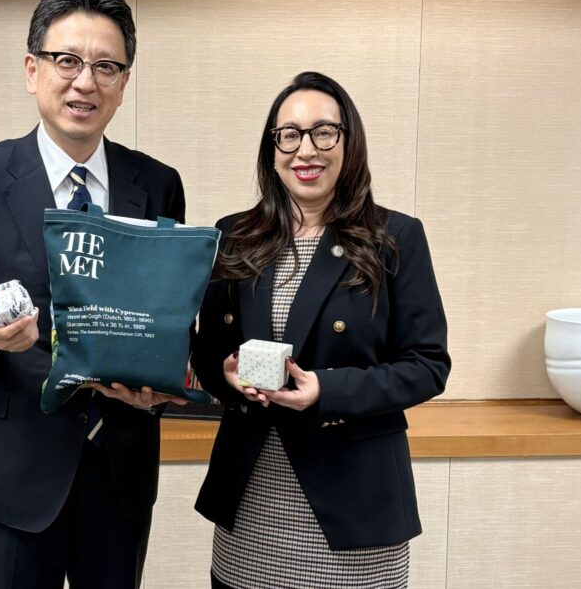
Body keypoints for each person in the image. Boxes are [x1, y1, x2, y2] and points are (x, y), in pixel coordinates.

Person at [0, 0, 187, 589]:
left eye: (106, 66)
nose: (85, 81)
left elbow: (167, 311)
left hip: (120, 465)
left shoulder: (158, 185)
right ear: (33, 69)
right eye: (67, 61)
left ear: (122, 83)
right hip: (15, 469)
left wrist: (158, 381)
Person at [191, 71, 450, 589]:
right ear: (272, 148)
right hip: (252, 510)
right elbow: (208, 350)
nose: (305, 149)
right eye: (289, 134)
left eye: (323, 132)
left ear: (348, 141)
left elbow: (428, 365)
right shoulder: (233, 236)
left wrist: (325, 391)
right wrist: (222, 373)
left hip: (354, 511)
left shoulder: (393, 238)